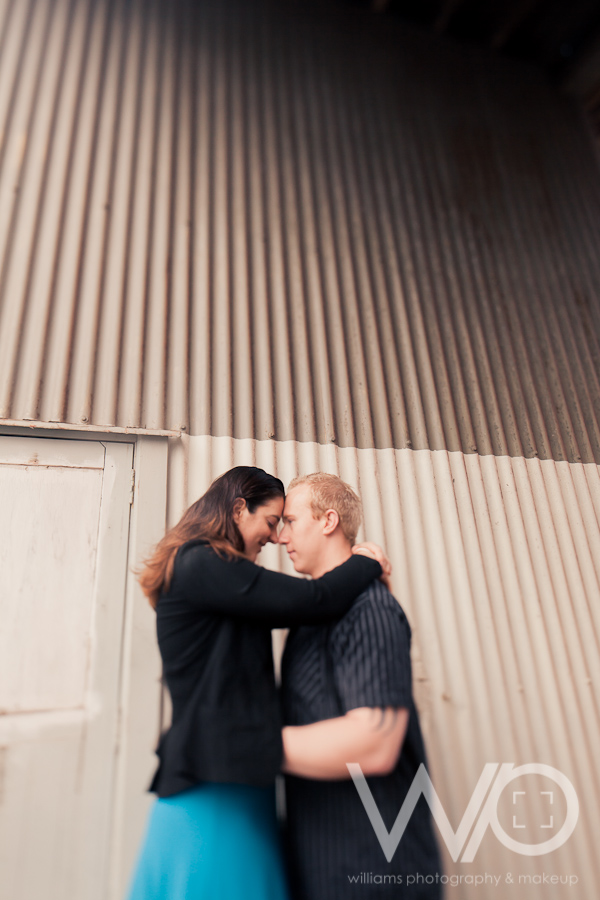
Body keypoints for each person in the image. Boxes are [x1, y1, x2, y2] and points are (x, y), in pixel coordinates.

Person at [126, 465, 387, 900]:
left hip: (236, 776)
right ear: (238, 509)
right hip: (215, 786)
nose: (274, 538)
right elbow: (314, 600)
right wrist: (366, 562)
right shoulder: (200, 562)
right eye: (270, 522)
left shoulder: (207, 570)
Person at [279, 473, 442, 900]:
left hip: (375, 871)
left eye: (291, 521)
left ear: (328, 521)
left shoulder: (369, 609)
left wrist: (241, 746)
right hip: (325, 866)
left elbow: (375, 742)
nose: (281, 537)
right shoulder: (311, 616)